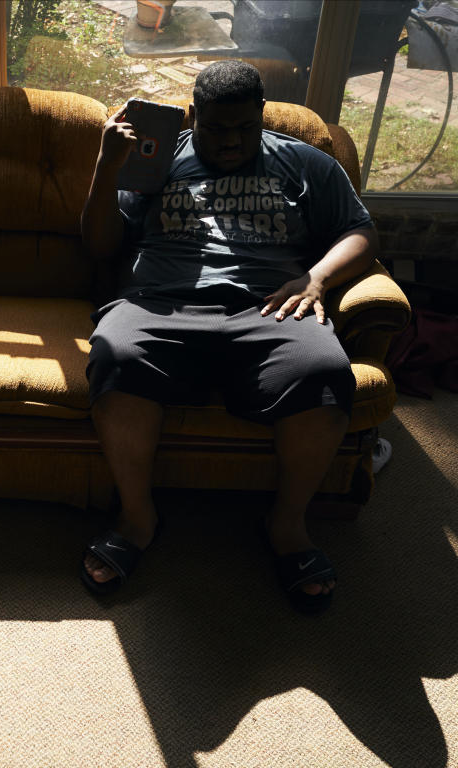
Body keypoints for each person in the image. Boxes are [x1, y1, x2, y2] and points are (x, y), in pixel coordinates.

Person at [79, 60, 377, 613]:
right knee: (115, 355)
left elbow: (360, 230)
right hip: (161, 305)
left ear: (261, 116)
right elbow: (100, 246)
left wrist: (315, 277)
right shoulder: (156, 159)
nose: (232, 142)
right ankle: (137, 518)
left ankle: (287, 527)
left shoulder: (304, 161)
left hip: (269, 308)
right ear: (195, 117)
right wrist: (106, 168)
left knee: (326, 373)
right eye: (217, 129)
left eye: (245, 128)